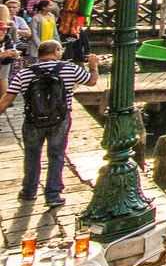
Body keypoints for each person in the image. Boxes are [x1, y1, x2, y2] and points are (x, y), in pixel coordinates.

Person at [0, 42, 95, 208]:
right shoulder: (70, 69)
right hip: (60, 120)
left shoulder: (25, 73)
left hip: (33, 120)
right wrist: (93, 66)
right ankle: (52, 195)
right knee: (56, 155)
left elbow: (7, 98)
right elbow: (92, 82)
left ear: (39, 53)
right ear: (57, 52)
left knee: (31, 156)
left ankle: (29, 191)